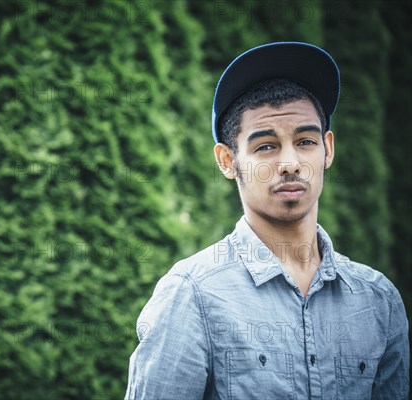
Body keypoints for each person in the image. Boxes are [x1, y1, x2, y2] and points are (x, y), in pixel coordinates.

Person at [124, 42, 409, 399]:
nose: (290, 162)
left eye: (305, 141)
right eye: (265, 146)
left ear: (328, 150)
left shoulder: (377, 299)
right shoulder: (192, 294)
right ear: (227, 161)